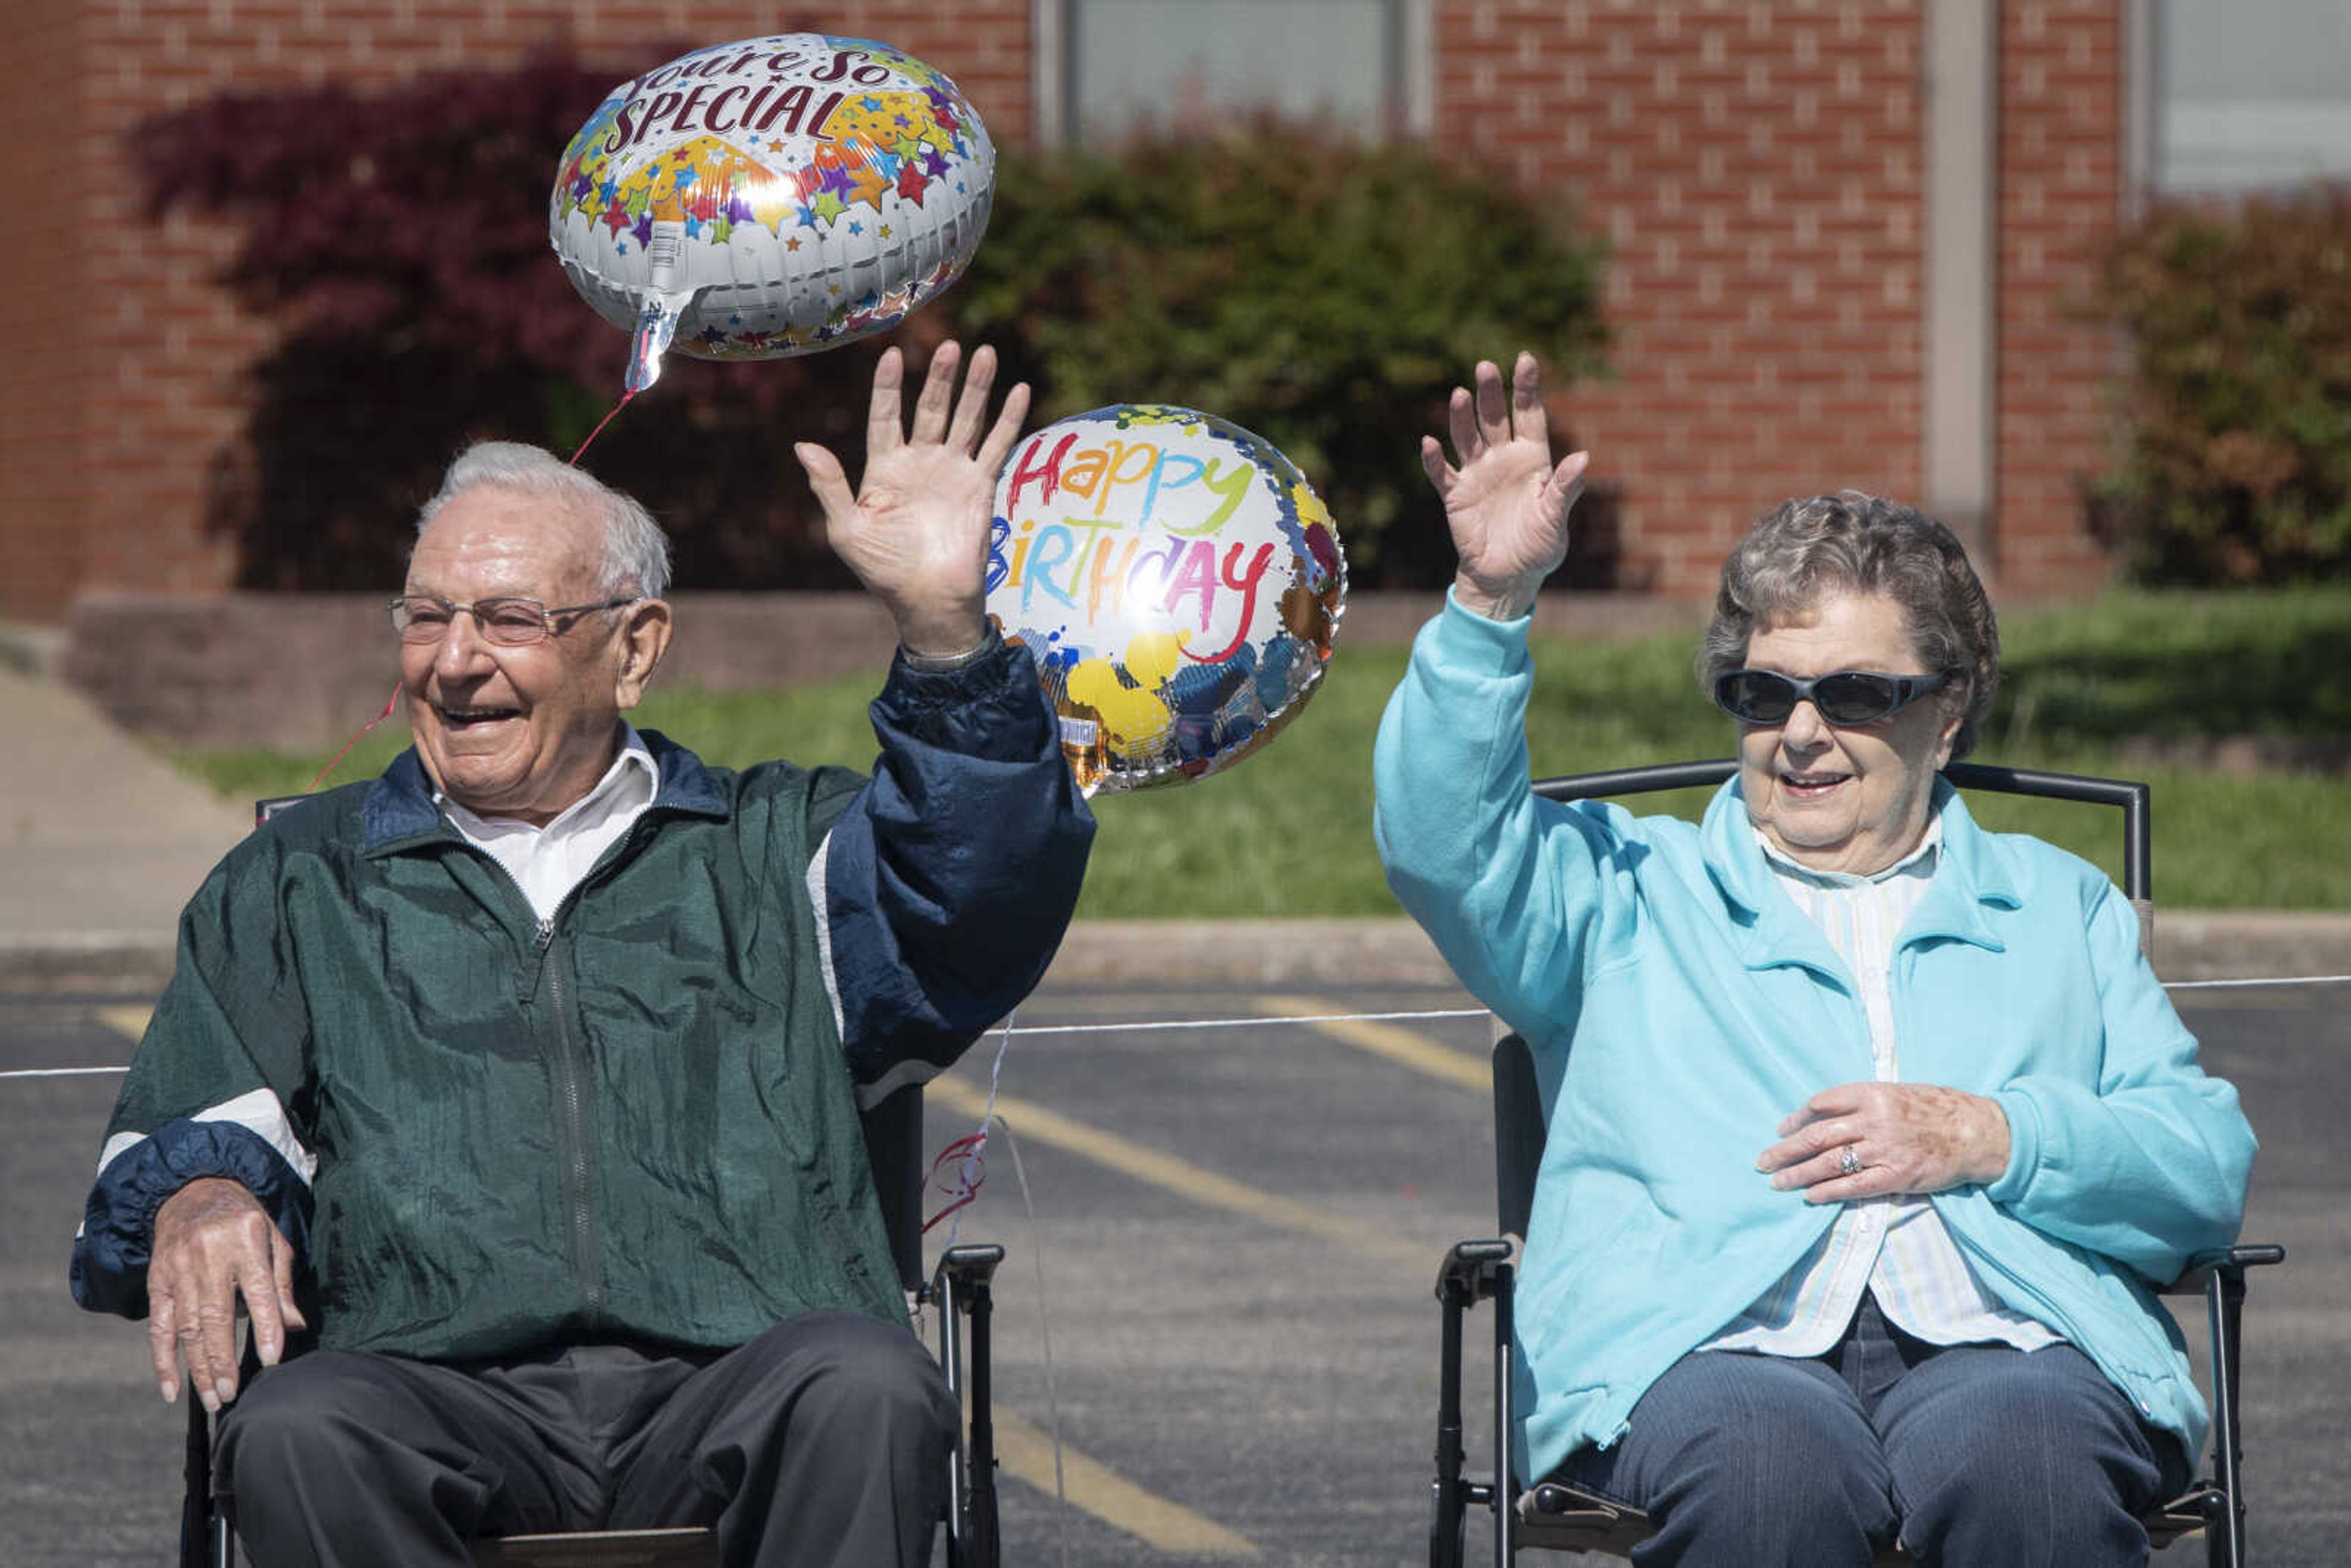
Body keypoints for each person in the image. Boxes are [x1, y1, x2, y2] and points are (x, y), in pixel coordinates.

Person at [70, 342, 1095, 1568]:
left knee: (866, 1384)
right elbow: (191, 1111)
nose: (453, 661)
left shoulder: (780, 851)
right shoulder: (301, 880)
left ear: (637, 647)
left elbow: (983, 890)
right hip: (427, 1383)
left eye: (511, 620)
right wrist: (201, 1193)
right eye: (428, 617)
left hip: (738, 1370)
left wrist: (945, 638)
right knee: (299, 1430)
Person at [1374, 354, 2256, 1566]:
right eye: (1764, 692)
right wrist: (1488, 606)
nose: (1799, 732)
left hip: (2012, 1339)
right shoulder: (1629, 894)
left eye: (1854, 693)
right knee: (1771, 1479)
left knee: (2035, 1471)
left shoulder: (2060, 908)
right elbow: (1442, 847)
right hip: (1705, 1347)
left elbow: (2200, 1168)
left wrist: (1990, 1136)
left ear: (1948, 713)